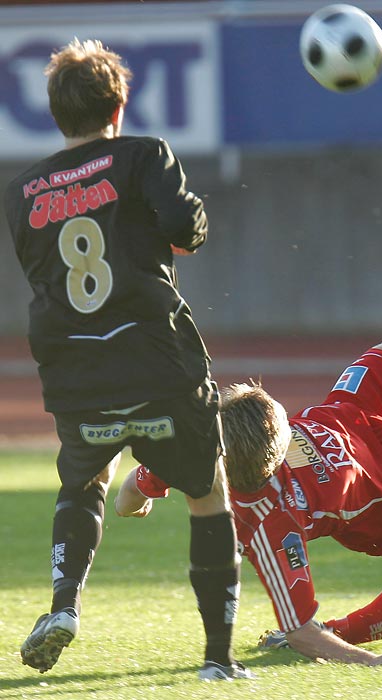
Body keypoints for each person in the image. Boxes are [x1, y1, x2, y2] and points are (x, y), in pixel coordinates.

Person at [116, 173, 382, 666]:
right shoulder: (271, 525)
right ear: (279, 445)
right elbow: (302, 632)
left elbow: (126, 498)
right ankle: (348, 631)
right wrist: (368, 662)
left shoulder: (200, 446)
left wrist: (140, 495)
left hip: (352, 413)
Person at [3, 38, 251, 681]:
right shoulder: (143, 156)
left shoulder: (22, 191)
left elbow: (45, 272)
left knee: (83, 481)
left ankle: (63, 606)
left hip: (73, 368)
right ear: (120, 103)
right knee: (207, 491)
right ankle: (217, 660)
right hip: (155, 355)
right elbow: (186, 228)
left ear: (56, 114)